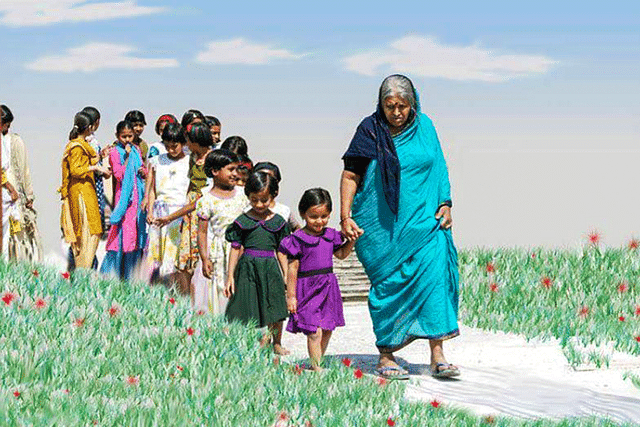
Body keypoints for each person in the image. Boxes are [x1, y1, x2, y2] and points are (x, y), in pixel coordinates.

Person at [340, 74, 460, 380]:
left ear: (413, 103)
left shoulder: (426, 127)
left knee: (435, 280)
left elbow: (440, 165)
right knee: (388, 287)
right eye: (389, 106)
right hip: (382, 228)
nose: (396, 112)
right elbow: (351, 175)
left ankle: (438, 354)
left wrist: (445, 202)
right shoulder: (370, 130)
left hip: (426, 224)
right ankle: (386, 354)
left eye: (402, 106)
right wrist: (345, 216)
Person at [278, 188, 356, 371]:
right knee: (314, 331)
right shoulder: (297, 239)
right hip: (306, 289)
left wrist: (352, 240)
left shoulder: (331, 236)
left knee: (327, 328)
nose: (319, 221)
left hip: (328, 287)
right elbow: (293, 268)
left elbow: (342, 254)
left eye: (324, 216)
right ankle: (316, 367)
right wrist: (291, 296)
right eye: (314, 216)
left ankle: (316, 361)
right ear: (303, 214)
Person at [225, 171, 290, 355]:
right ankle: (250, 342)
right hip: (247, 268)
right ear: (248, 196)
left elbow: (282, 251)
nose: (259, 205)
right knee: (247, 304)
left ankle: (276, 342)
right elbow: (235, 248)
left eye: (264, 200)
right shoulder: (242, 221)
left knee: (275, 305)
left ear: (273, 196)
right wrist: (230, 276)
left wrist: (286, 274)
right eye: (254, 200)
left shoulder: (278, 222)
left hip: (270, 267)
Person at [195, 149, 248, 314]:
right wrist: (204, 258)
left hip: (243, 249)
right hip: (220, 252)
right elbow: (202, 233)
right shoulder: (206, 200)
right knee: (221, 290)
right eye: (230, 169)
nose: (235, 174)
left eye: (236, 169)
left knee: (242, 288)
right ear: (215, 171)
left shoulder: (242, 194)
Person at [164, 122, 214, 295]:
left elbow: (202, 198)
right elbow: (191, 188)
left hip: (201, 210)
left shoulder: (212, 159)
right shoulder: (194, 158)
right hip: (189, 211)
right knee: (184, 260)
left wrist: (171, 217)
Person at [60, 112, 110, 269]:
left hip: (87, 190)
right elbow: (75, 170)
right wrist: (96, 167)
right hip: (80, 194)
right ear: (89, 127)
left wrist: (99, 159)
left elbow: (89, 159)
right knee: (84, 233)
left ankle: (86, 269)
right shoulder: (76, 146)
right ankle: (82, 271)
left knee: (92, 232)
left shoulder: (83, 145)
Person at [100, 121, 146, 280]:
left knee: (134, 234)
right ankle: (112, 273)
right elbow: (119, 175)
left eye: (130, 136)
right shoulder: (115, 152)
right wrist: (126, 156)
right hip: (124, 198)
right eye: (123, 136)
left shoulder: (137, 150)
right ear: (117, 136)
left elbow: (142, 167)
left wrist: (143, 171)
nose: (127, 139)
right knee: (121, 234)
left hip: (137, 197)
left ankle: (131, 275)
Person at [145, 123, 190, 283]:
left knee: (173, 256)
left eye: (175, 146)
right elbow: (152, 190)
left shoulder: (190, 162)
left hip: (178, 215)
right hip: (159, 213)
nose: (171, 150)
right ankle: (153, 292)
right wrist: (150, 211)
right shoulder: (157, 161)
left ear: (183, 143)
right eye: (168, 146)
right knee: (155, 257)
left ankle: (174, 293)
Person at [0, 105, 43, 262]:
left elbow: (23, 171)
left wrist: (28, 196)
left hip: (13, 198)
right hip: (9, 194)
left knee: (15, 236)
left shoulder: (15, 141)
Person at [253, 161, 300, 231]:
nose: (265, 181)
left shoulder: (284, 211)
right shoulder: (246, 209)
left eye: (269, 177)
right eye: (261, 176)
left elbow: (297, 229)